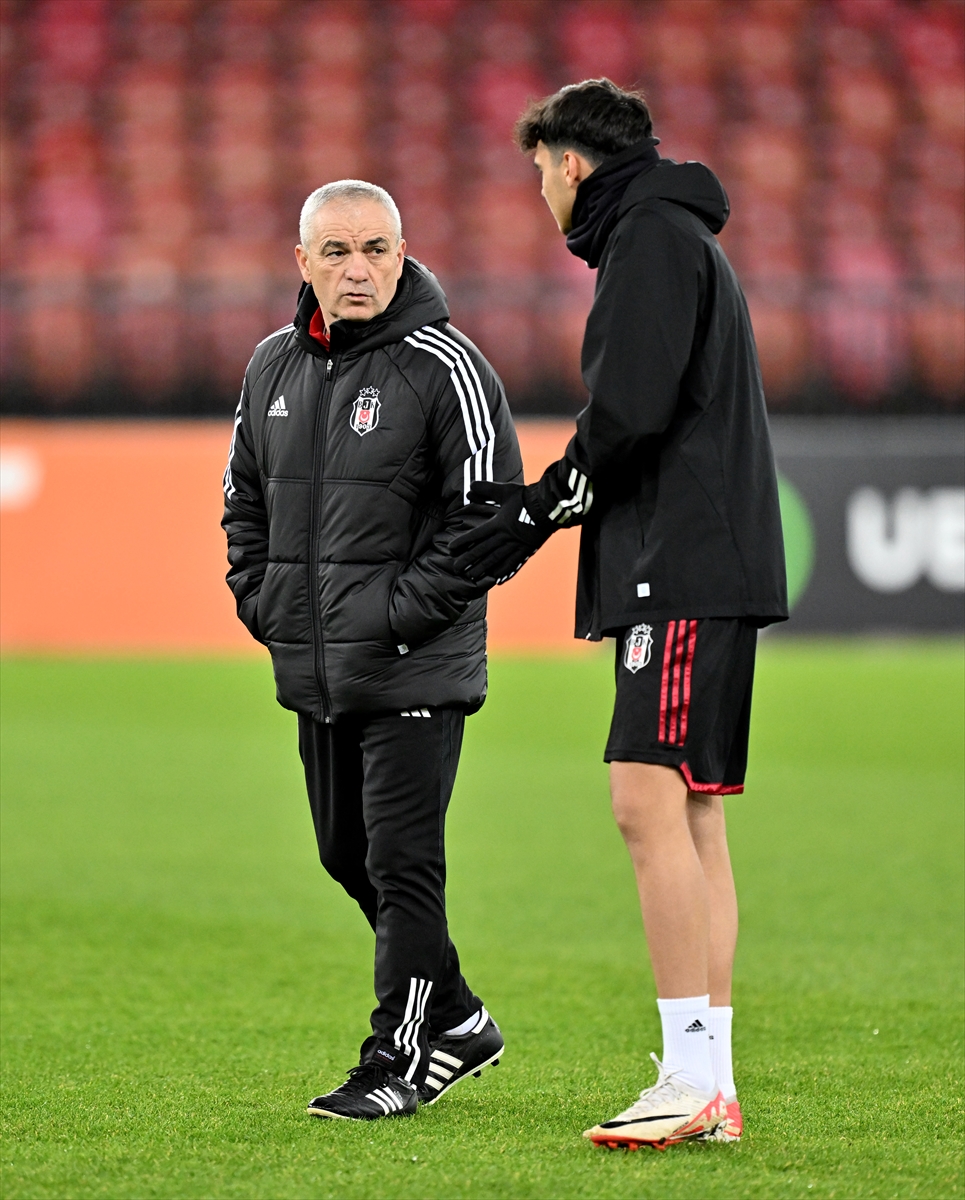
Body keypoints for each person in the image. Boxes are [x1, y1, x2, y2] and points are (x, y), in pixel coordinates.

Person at [452, 80, 788, 1150]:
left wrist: (543, 502)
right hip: (703, 560)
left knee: (644, 802)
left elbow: (630, 410)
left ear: (568, 163)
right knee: (691, 815)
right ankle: (711, 1085)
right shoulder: (677, 233)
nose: (540, 192)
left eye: (538, 171)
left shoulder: (645, 235)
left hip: (677, 566)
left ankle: (687, 1077)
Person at [223, 180, 519, 1121]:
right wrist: (265, 603)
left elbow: (491, 523)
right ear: (302, 262)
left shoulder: (447, 365)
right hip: (319, 668)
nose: (359, 269)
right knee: (343, 855)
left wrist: (396, 614)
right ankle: (460, 1018)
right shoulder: (271, 365)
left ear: (402, 254)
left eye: (376, 249)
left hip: (414, 664)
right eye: (338, 251)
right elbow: (243, 505)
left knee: (399, 864)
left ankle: (399, 1055)